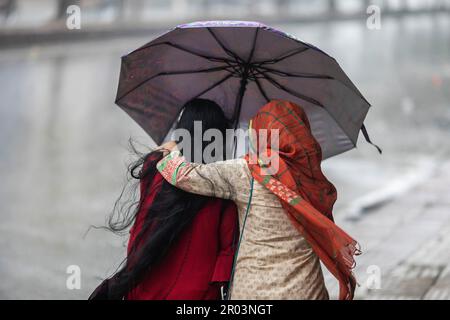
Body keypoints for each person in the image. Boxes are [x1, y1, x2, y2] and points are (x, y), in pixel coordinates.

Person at [157, 99, 361, 300]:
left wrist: (171, 151)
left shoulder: (249, 171)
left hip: (254, 290)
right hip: (307, 290)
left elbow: (182, 175)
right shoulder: (313, 179)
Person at [89, 98, 238, 300]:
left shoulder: (155, 167)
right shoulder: (223, 188)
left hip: (143, 287)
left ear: (181, 131)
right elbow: (226, 252)